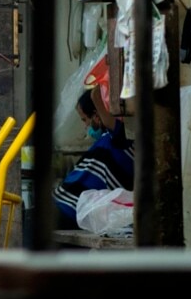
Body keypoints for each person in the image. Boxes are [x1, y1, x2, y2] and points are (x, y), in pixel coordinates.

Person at [53, 88, 135, 229]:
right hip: (64, 206)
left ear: (97, 116)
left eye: (85, 120)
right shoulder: (106, 140)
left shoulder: (121, 140)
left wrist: (100, 82)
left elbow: (95, 96)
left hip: (71, 212)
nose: (85, 126)